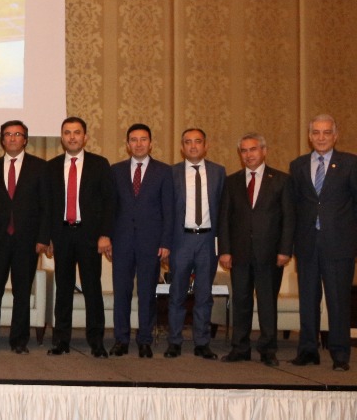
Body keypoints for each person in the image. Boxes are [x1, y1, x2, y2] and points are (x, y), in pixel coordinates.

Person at [39, 116, 116, 358]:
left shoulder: (99, 164)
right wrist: (48, 237)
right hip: (61, 235)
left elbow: (109, 203)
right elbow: (47, 206)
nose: (72, 137)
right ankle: (61, 341)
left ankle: (96, 342)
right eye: (67, 133)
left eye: (76, 132)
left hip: (89, 236)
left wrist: (105, 234)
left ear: (85, 137)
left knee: (92, 289)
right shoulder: (51, 167)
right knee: (63, 290)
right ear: (62, 138)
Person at [288, 114, 357, 371]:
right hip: (307, 244)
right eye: (316, 132)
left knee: (338, 301)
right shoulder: (297, 165)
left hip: (339, 245)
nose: (321, 137)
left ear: (335, 136)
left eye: (326, 132)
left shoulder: (350, 163)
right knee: (308, 300)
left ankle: (340, 354)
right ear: (309, 136)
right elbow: (294, 207)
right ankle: (308, 350)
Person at [219, 132, 294, 365]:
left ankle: (268, 349)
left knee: (267, 303)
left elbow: (289, 218)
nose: (248, 154)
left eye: (253, 149)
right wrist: (225, 250)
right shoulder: (231, 181)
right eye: (244, 150)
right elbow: (224, 219)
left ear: (264, 151)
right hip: (239, 253)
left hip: (270, 254)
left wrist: (285, 250)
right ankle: (240, 348)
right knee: (241, 301)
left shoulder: (281, 180)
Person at [0, 119, 46, 354]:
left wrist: (43, 238)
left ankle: (19, 340)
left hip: (27, 240)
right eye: (8, 134)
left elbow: (46, 206)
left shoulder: (40, 167)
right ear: (2, 140)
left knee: (22, 292)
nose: (12, 138)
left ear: (25, 140)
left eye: (17, 134)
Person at [108, 124, 173, 358]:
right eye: (133, 140)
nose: (138, 144)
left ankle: (145, 340)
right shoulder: (116, 171)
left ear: (150, 143)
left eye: (143, 139)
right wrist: (108, 238)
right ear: (127, 144)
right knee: (122, 293)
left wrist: (166, 242)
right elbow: (110, 208)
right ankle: (121, 339)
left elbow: (169, 210)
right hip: (121, 241)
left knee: (147, 294)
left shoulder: (164, 171)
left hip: (151, 243)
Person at [165, 128, 225, 359]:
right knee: (177, 293)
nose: (193, 146)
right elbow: (166, 211)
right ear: (182, 147)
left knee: (204, 295)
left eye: (197, 141)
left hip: (208, 240)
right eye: (188, 142)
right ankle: (174, 341)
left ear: (205, 145)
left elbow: (224, 210)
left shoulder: (219, 172)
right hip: (181, 240)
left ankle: (202, 342)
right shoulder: (172, 173)